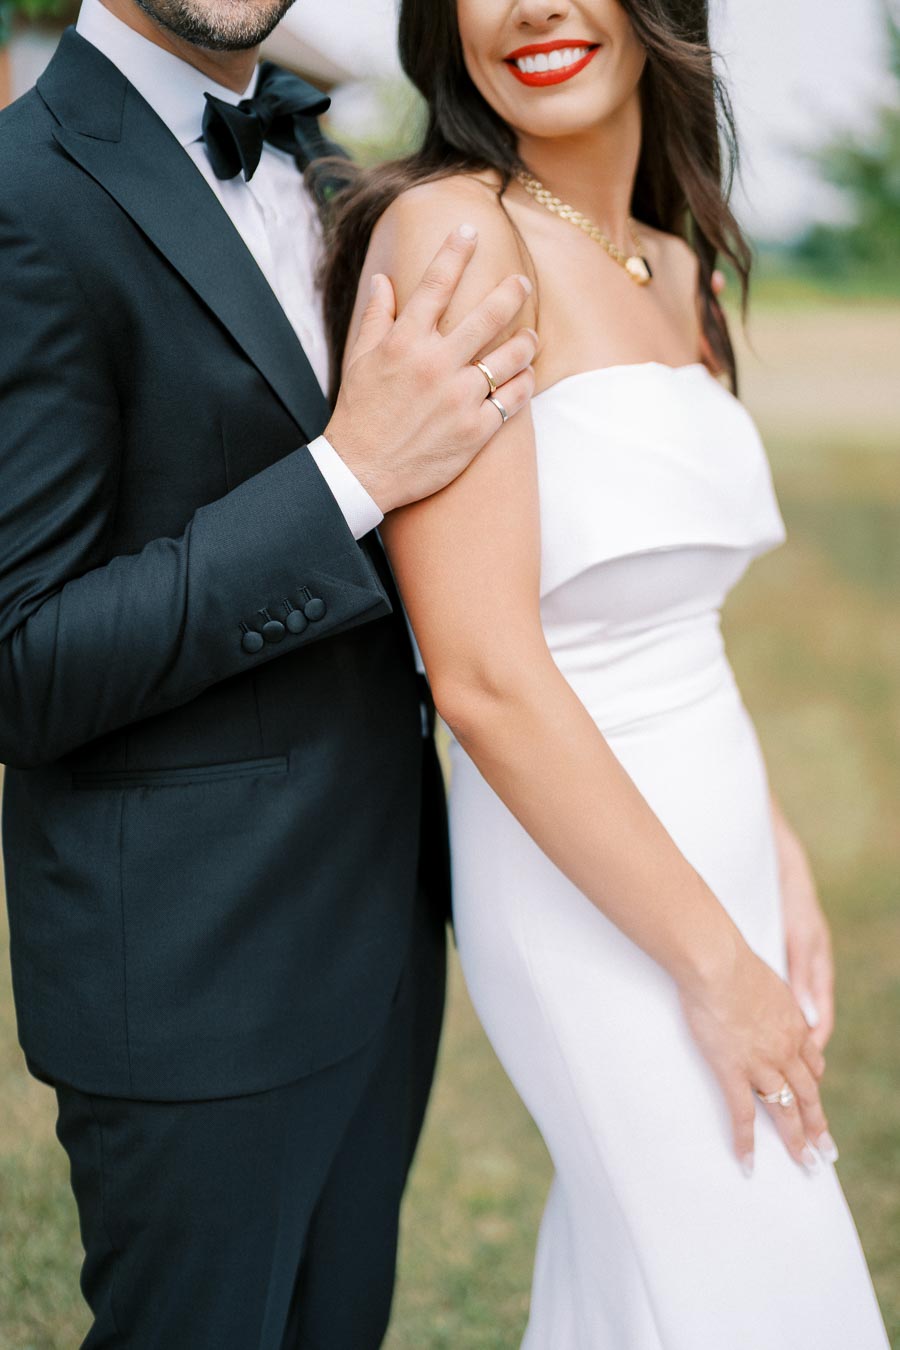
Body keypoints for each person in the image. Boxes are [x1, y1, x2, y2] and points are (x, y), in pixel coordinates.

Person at [321, 0, 891, 1344]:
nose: (533, 6)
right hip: (584, 893)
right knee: (756, 1287)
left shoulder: (674, 263)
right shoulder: (458, 233)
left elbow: (676, 627)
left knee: (643, 1293)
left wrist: (774, 851)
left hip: (713, 861)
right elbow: (480, 673)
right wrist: (717, 965)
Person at [0, 0, 539, 1342]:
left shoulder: (331, 170)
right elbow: (22, 663)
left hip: (382, 940)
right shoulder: (24, 197)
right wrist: (348, 473)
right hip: (191, 980)